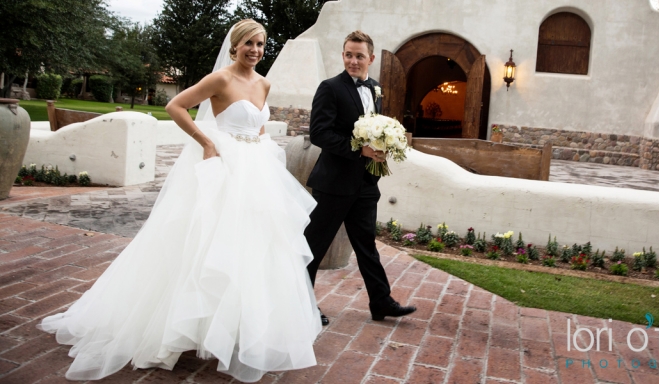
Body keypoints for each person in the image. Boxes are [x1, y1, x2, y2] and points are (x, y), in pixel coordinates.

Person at [38, 20, 322, 382]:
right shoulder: (220, 79)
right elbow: (176, 106)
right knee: (202, 245)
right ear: (234, 46)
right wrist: (206, 142)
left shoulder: (264, 83)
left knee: (251, 248)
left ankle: (233, 329)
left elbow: (259, 128)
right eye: (248, 43)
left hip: (257, 171)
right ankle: (173, 329)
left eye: (261, 44)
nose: (255, 50)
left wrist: (267, 156)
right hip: (224, 164)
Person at [304, 30, 416, 323]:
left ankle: (381, 302)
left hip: (365, 184)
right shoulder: (329, 88)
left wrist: (382, 148)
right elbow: (319, 133)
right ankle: (302, 306)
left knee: (367, 247)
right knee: (313, 248)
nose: (353, 61)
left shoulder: (376, 88)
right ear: (343, 55)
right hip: (333, 185)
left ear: (371, 58)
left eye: (359, 56)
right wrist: (360, 152)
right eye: (348, 55)